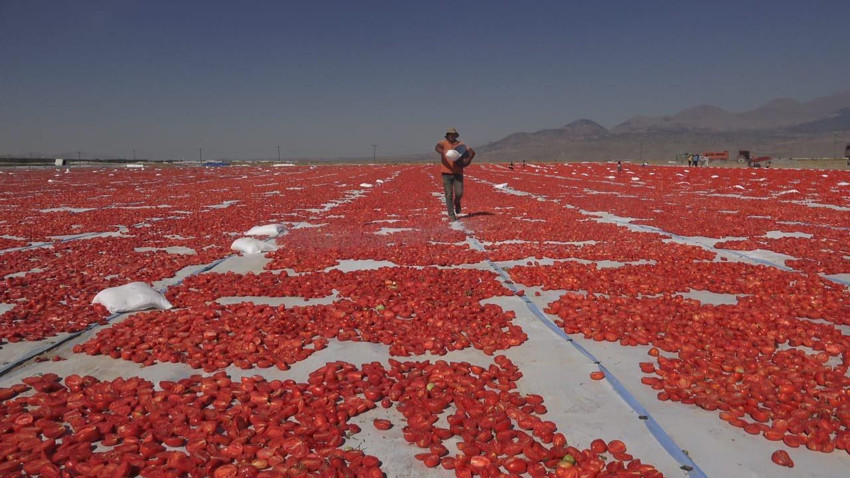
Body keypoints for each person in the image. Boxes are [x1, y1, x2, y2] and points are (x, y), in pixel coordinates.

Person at [435, 127, 475, 221]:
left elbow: (472, 152)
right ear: (447, 135)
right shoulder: (443, 143)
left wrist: (467, 161)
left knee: (459, 193)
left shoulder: (460, 144)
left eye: (453, 135)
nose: (451, 136)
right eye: (449, 134)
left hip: (458, 173)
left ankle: (457, 202)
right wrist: (444, 152)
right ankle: (451, 215)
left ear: (455, 136)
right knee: (448, 194)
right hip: (446, 173)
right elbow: (437, 147)